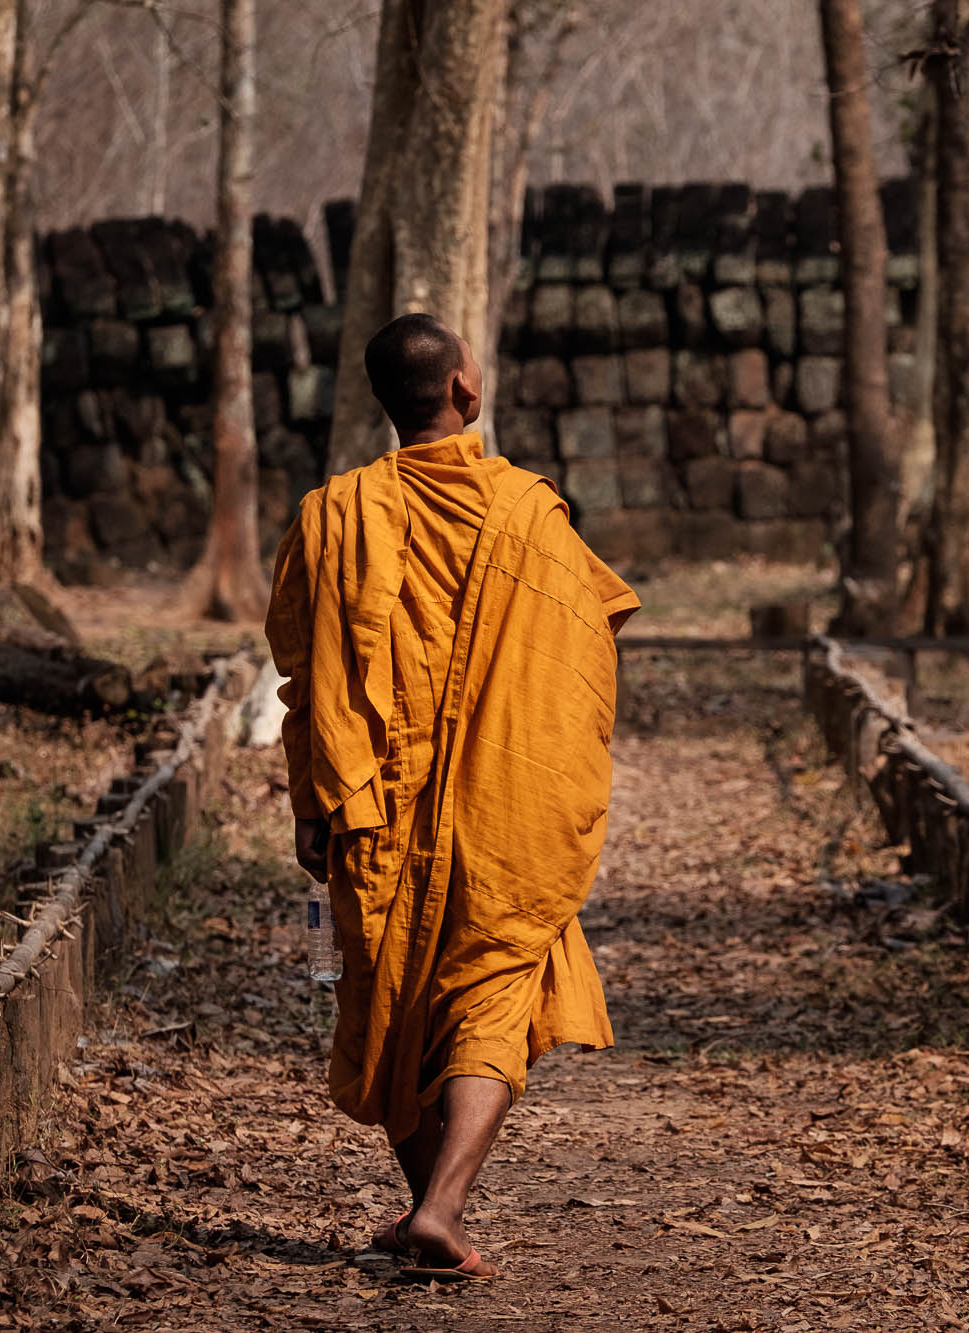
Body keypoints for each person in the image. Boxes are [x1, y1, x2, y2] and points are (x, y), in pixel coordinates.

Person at [264, 313, 638, 1281]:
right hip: (504, 805)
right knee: (493, 986)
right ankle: (439, 1208)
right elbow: (586, 650)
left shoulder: (332, 515)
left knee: (391, 1000)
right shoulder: (528, 512)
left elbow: (304, 674)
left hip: (372, 808)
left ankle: (429, 1207)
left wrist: (309, 800)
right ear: (465, 391)